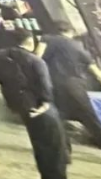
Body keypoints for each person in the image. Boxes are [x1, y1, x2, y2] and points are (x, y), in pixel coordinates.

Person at [0, 28, 68, 179]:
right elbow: (45, 86)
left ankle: (45, 174)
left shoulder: (0, 56)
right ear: (30, 41)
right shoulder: (35, 60)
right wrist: (45, 104)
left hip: (22, 107)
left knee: (39, 144)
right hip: (41, 108)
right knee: (55, 148)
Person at [38, 20, 101, 148]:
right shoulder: (77, 45)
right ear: (70, 31)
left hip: (52, 84)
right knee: (89, 116)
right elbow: (95, 71)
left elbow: (36, 58)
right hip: (75, 85)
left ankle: (62, 147)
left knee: (57, 117)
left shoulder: (47, 39)